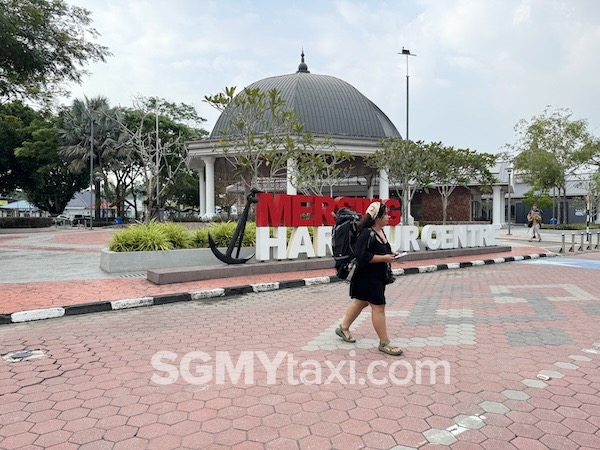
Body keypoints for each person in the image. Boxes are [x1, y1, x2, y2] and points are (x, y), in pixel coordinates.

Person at [335, 201, 403, 356]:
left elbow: (381, 251)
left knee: (361, 302)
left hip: (377, 276)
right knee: (379, 307)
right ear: (377, 217)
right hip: (366, 277)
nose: (388, 216)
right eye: (385, 214)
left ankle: (343, 328)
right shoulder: (367, 233)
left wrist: (391, 255)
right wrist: (383, 258)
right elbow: (361, 256)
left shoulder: (380, 232)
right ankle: (384, 342)